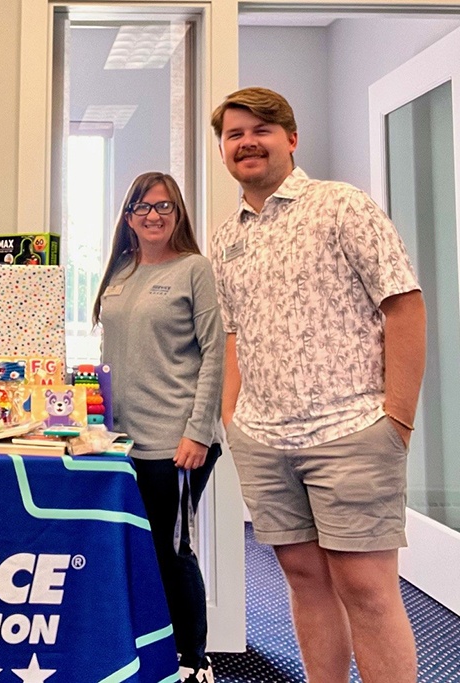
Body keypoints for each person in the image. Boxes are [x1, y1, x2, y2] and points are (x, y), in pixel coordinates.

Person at [209, 87, 426, 683]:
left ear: (291, 138)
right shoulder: (227, 238)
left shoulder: (341, 206)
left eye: (262, 129)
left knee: (367, 587)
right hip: (264, 438)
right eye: (234, 134)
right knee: (303, 579)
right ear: (224, 149)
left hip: (352, 428)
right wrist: (233, 419)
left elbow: (403, 305)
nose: (247, 142)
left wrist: (397, 419)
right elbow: (233, 333)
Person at [93, 172, 224, 683]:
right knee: (135, 548)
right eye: (142, 207)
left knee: (172, 552)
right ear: (127, 217)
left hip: (176, 440)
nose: (153, 215)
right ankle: (152, 648)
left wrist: (197, 431)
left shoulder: (194, 269)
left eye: (164, 207)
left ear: (179, 215)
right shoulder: (121, 271)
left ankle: (194, 660)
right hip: (121, 441)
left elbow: (215, 354)